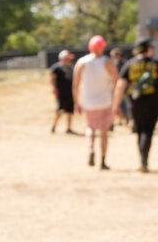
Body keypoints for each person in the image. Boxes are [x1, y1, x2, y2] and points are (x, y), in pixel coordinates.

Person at [113, 38, 158, 172]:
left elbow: (120, 86)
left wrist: (116, 105)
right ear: (148, 49)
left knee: (139, 130)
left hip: (135, 102)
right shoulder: (155, 64)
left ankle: (142, 160)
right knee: (148, 131)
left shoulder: (129, 64)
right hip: (153, 102)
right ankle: (145, 159)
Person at [72, 35, 118, 169]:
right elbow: (116, 82)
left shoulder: (81, 62)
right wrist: (116, 101)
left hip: (88, 102)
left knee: (90, 128)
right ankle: (103, 161)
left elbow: (75, 84)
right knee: (104, 132)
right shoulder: (107, 62)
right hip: (105, 102)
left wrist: (76, 102)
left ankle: (91, 147)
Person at [49, 49, 75, 134]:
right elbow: (52, 79)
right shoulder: (56, 68)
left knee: (70, 111)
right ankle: (54, 126)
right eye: (67, 58)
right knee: (59, 111)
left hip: (70, 93)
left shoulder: (71, 67)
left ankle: (68, 128)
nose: (69, 60)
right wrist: (54, 88)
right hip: (61, 93)